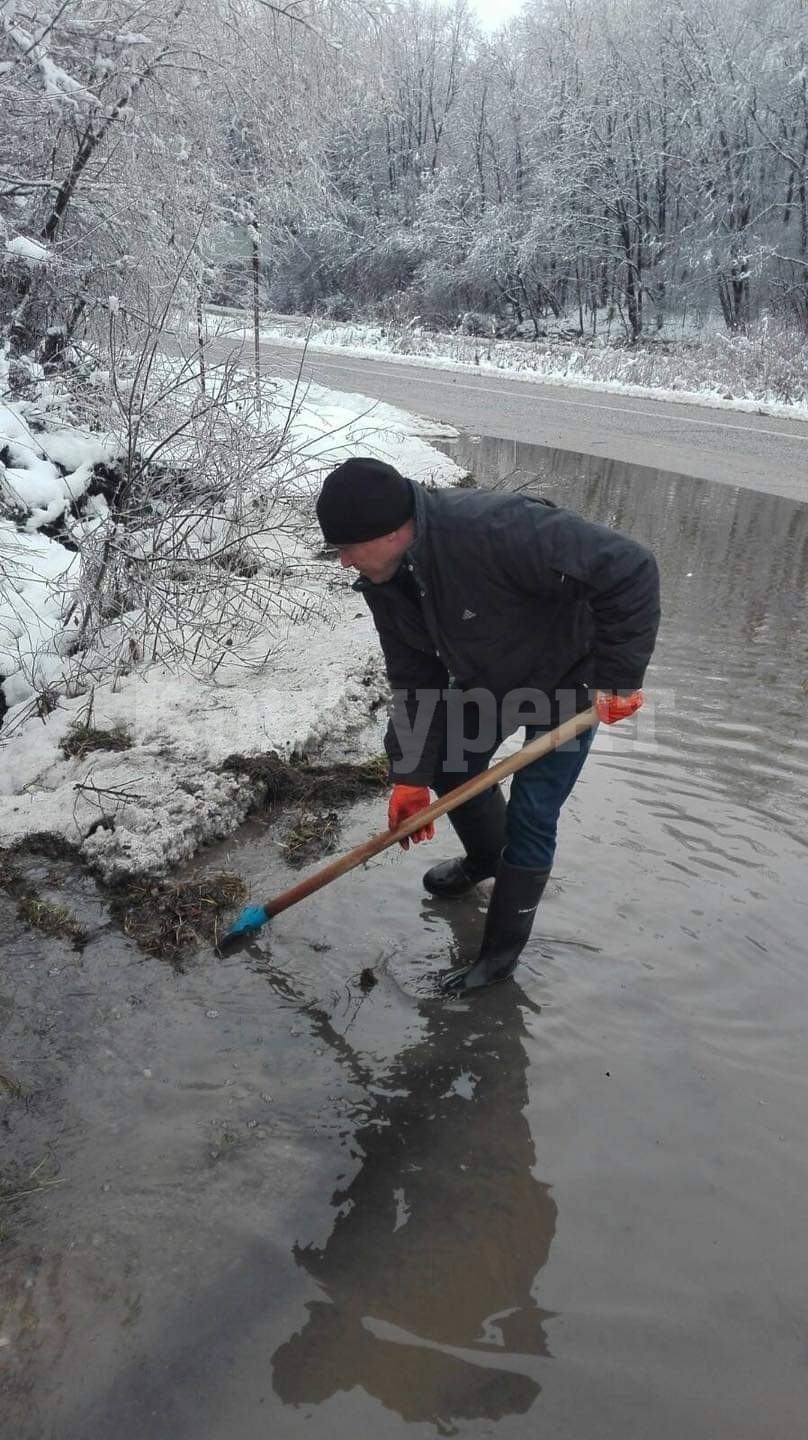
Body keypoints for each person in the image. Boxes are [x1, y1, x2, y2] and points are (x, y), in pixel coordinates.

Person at [316, 457, 660, 992]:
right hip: (492, 677)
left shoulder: (497, 527)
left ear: (387, 533)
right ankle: (484, 859)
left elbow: (630, 567)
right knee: (451, 761)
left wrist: (616, 678)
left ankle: (499, 956)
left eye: (345, 549)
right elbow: (415, 680)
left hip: (571, 682)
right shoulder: (388, 578)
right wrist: (410, 776)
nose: (342, 563)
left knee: (532, 813)